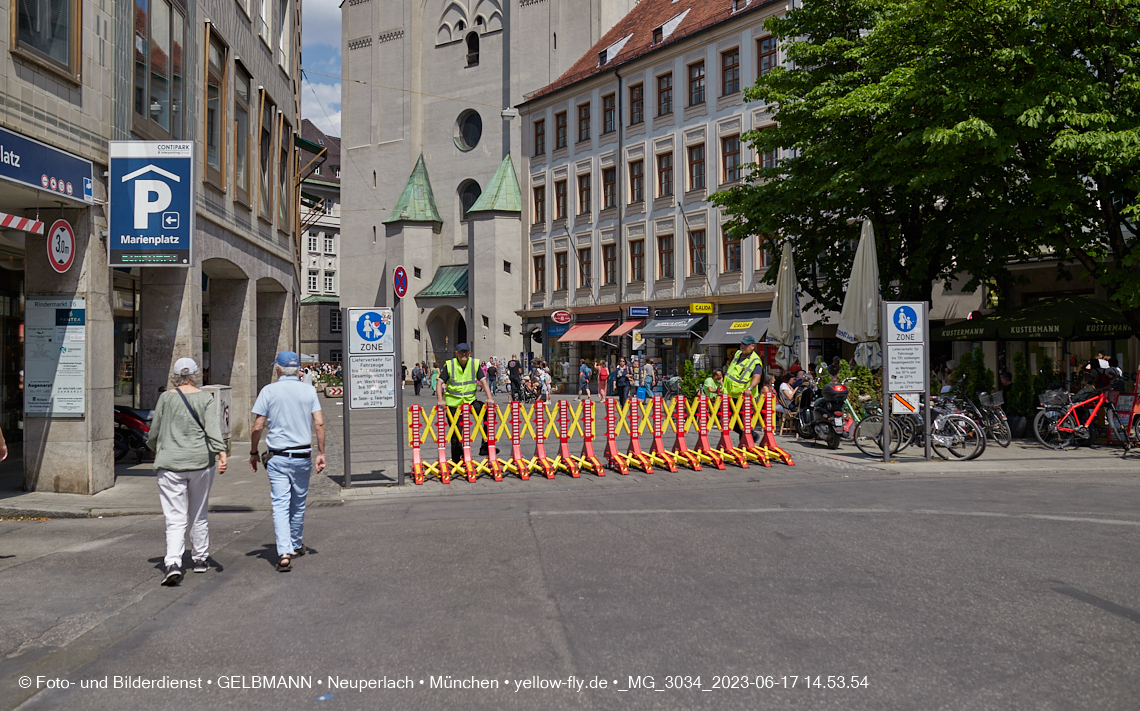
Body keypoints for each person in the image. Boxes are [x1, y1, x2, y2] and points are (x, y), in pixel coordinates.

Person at [148, 357, 227, 585]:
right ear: (195, 375)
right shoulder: (204, 398)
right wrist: (221, 452)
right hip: (200, 462)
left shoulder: (165, 398)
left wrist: (155, 449)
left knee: (175, 517)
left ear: (175, 376)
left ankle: (173, 562)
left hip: (170, 463)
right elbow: (212, 428)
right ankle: (200, 558)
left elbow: (155, 430)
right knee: (199, 512)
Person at [249, 351, 327, 572]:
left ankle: (284, 551)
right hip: (303, 454)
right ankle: (295, 543)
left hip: (278, 456)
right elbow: (319, 423)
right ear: (298, 369)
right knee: (298, 501)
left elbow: (257, 426)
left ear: (279, 369)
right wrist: (321, 452)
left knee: (280, 503)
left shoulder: (269, 391)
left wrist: (253, 451)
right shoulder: (309, 390)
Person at [437, 343, 495, 462]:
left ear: (469, 353)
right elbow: (439, 382)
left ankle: (485, 444)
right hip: (454, 403)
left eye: (466, 352)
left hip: (470, 401)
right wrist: (440, 400)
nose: (464, 354)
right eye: (461, 352)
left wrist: (490, 398)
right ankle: (457, 461)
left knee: (489, 414)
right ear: (456, 353)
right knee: (456, 434)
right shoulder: (450, 365)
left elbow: (484, 381)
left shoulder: (474, 364)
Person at [724, 336, 765, 432]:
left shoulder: (755, 360)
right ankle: (745, 441)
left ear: (752, 346)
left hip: (743, 396)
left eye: (746, 344)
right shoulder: (738, 353)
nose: (743, 346)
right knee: (731, 422)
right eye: (742, 343)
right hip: (730, 394)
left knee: (742, 423)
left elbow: (757, 377)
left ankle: (750, 438)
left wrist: (749, 389)